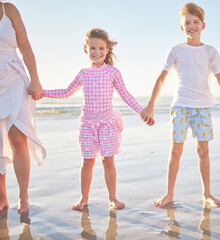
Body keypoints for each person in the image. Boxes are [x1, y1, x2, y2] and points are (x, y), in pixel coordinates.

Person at [39, 28, 153, 210]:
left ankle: (113, 198)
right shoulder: (84, 73)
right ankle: (84, 198)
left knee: (108, 161)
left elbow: (126, 95)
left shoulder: (113, 72)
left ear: (107, 50)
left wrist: (142, 112)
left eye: (101, 48)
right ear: (86, 50)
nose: (97, 52)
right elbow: (67, 92)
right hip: (87, 125)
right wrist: (43, 93)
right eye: (93, 48)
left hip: (107, 124)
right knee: (87, 162)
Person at [141, 3, 220, 208]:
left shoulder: (210, 51)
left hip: (203, 107)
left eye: (195, 22)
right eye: (187, 23)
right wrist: (150, 105)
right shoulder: (176, 50)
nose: (191, 26)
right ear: (181, 27)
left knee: (203, 151)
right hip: (180, 107)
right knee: (175, 151)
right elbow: (161, 78)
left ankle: (207, 194)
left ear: (203, 25)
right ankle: (168, 194)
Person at [0, 2, 46, 214]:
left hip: (14, 79)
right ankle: (2, 198)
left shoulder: (8, 9)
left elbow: (25, 46)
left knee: (18, 139)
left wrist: (35, 80)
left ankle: (23, 196)